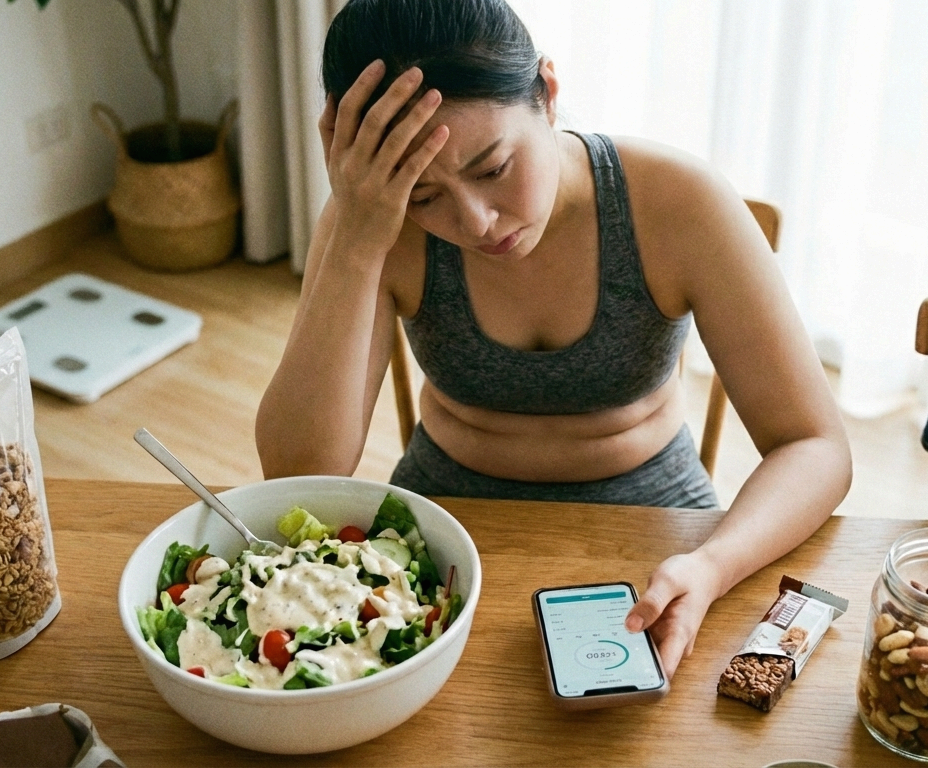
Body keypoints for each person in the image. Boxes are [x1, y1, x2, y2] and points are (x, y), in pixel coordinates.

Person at [256, 0, 852, 679]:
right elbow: (297, 472)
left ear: (547, 92)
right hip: (445, 533)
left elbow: (815, 446)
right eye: (425, 198)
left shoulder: (678, 203)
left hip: (659, 527)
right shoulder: (373, 217)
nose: (476, 221)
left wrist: (711, 564)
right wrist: (358, 236)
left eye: (493, 167)